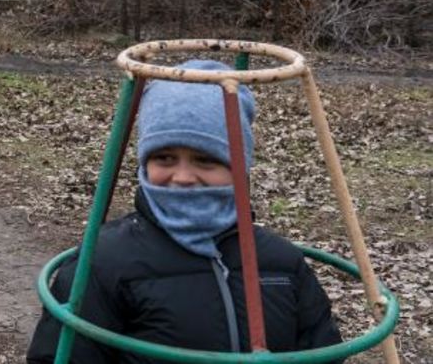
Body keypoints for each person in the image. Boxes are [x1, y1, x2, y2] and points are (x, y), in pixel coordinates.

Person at [27, 60, 343, 363]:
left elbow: (322, 350)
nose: (182, 177)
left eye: (205, 160)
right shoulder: (105, 264)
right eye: (164, 158)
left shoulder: (281, 263)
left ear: (239, 167)